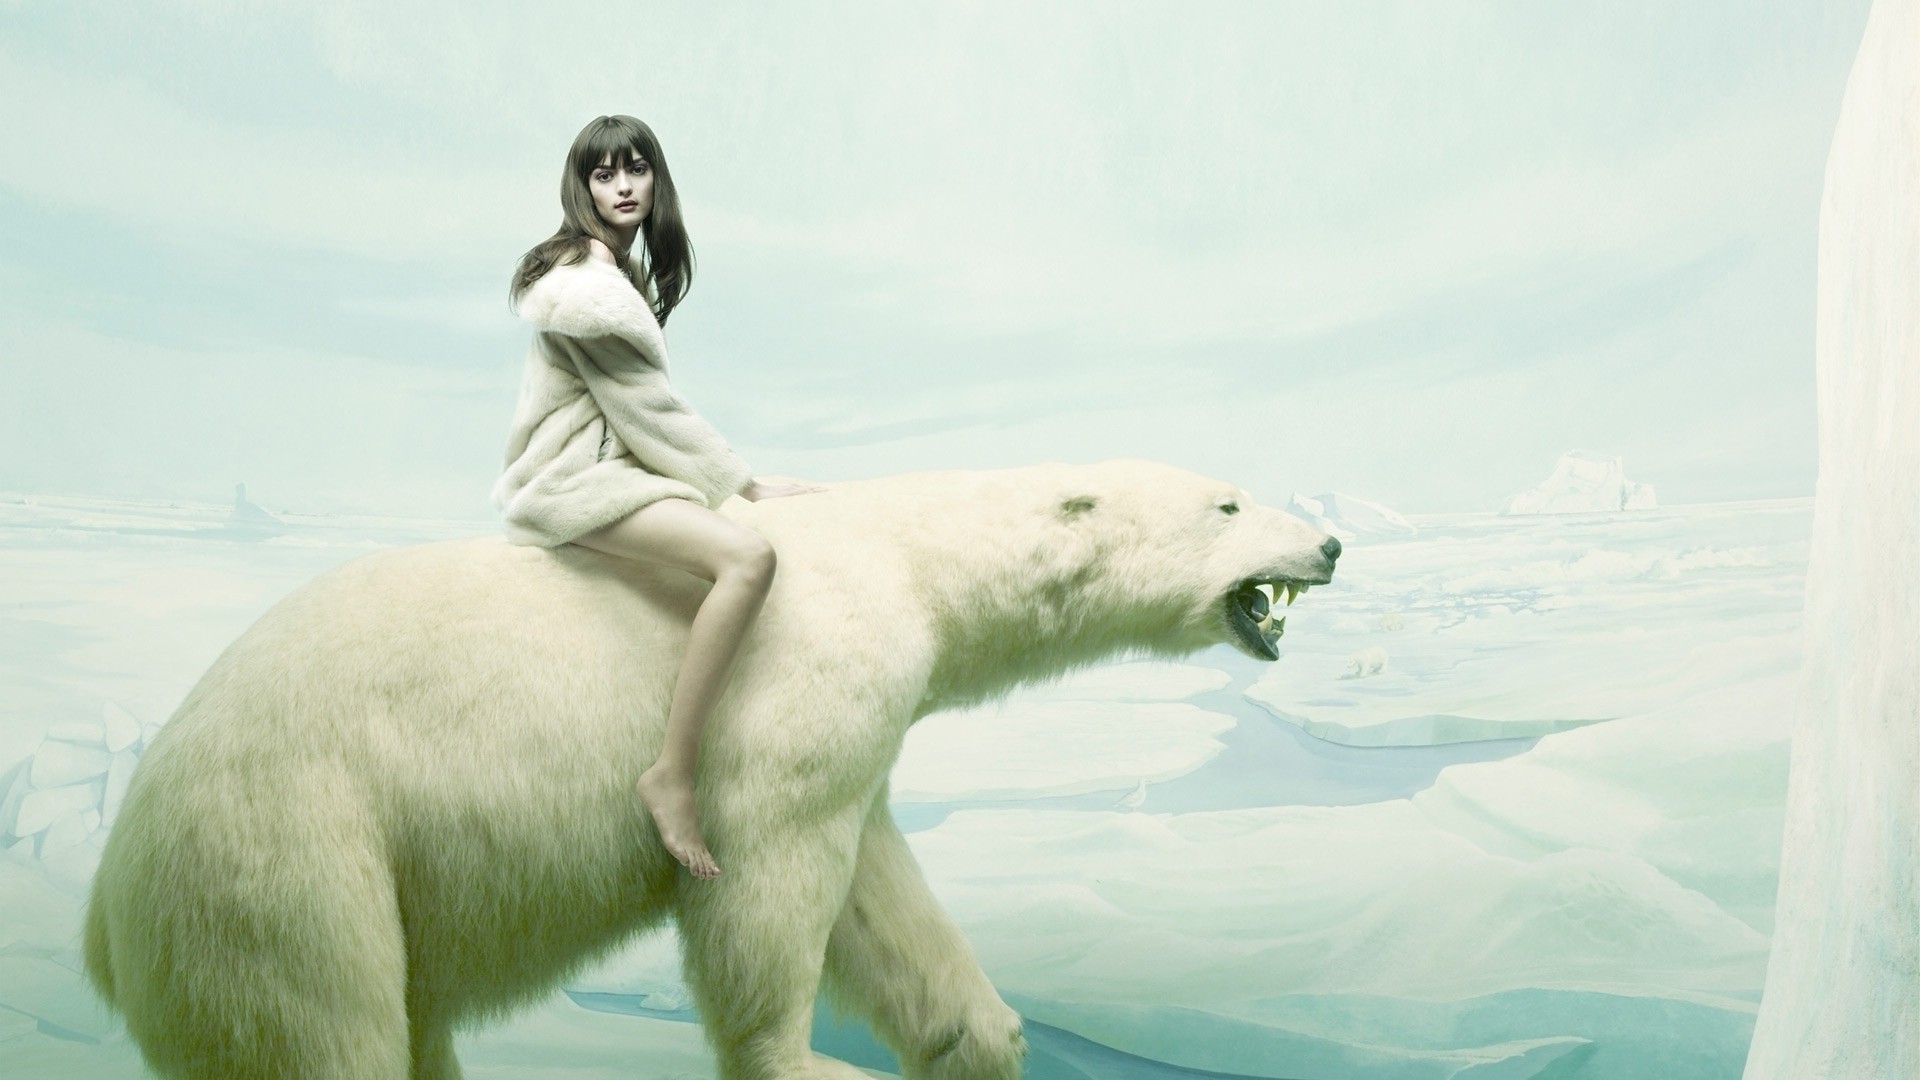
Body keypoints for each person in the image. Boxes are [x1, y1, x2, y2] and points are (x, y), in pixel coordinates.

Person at [493, 114, 824, 880]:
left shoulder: (606, 275)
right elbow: (647, 410)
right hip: (572, 483)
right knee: (748, 556)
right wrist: (741, 479)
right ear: (581, 188)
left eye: (634, 169)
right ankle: (672, 773)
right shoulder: (588, 293)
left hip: (591, 470)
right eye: (603, 175)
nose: (622, 186)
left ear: (655, 178)